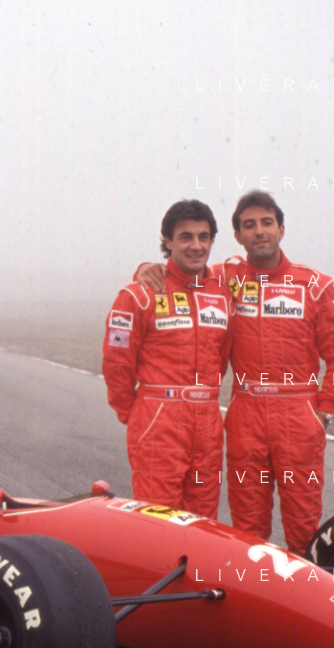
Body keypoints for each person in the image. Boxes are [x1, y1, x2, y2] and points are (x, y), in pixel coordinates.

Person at [135, 191, 334, 553]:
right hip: (246, 416)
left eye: (267, 223)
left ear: (281, 229)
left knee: (303, 525)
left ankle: (304, 587)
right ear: (238, 236)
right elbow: (181, 272)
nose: (259, 231)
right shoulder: (226, 278)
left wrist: (325, 410)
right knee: (248, 529)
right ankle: (257, 588)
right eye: (249, 225)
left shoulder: (317, 285)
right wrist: (147, 267)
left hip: (299, 416)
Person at [102, 200, 234, 519]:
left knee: (203, 519)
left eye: (204, 237)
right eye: (186, 237)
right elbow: (116, 364)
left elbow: (222, 356)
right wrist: (136, 413)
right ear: (168, 241)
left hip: (207, 419)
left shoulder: (223, 292)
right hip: (158, 419)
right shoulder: (138, 294)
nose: (196, 245)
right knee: (158, 519)